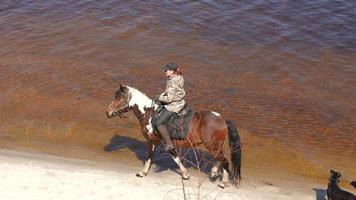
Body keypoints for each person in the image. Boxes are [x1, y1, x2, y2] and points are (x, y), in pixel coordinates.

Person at [153, 62, 186, 152]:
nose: (165, 72)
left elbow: (169, 99)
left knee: (158, 122)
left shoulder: (173, 81)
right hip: (180, 102)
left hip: (174, 106)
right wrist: (161, 95)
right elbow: (168, 91)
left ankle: (169, 144)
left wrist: (158, 97)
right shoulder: (178, 77)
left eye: (166, 70)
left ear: (172, 71)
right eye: (165, 70)